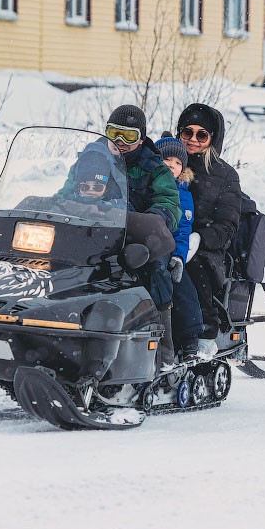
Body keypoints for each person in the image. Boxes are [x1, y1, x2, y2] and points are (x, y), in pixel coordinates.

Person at [104, 105, 182, 370]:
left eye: (128, 136)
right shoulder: (93, 159)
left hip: (141, 239)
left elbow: (169, 204)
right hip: (95, 234)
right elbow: (69, 191)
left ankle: (163, 351)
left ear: (141, 137)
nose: (120, 142)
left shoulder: (155, 168)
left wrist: (151, 221)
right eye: (114, 133)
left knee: (156, 268)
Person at [176, 103, 243, 359]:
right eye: (187, 132)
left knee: (193, 267)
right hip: (165, 237)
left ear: (212, 138)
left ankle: (203, 332)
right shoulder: (167, 162)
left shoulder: (225, 175)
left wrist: (199, 238)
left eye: (201, 134)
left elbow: (227, 226)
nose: (193, 139)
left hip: (206, 248)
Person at [154, 130, 207, 360]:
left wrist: (177, 256)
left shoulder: (183, 195)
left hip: (168, 251)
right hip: (143, 245)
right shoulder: (147, 184)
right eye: (166, 160)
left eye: (177, 162)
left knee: (182, 288)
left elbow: (183, 231)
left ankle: (189, 340)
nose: (171, 165)